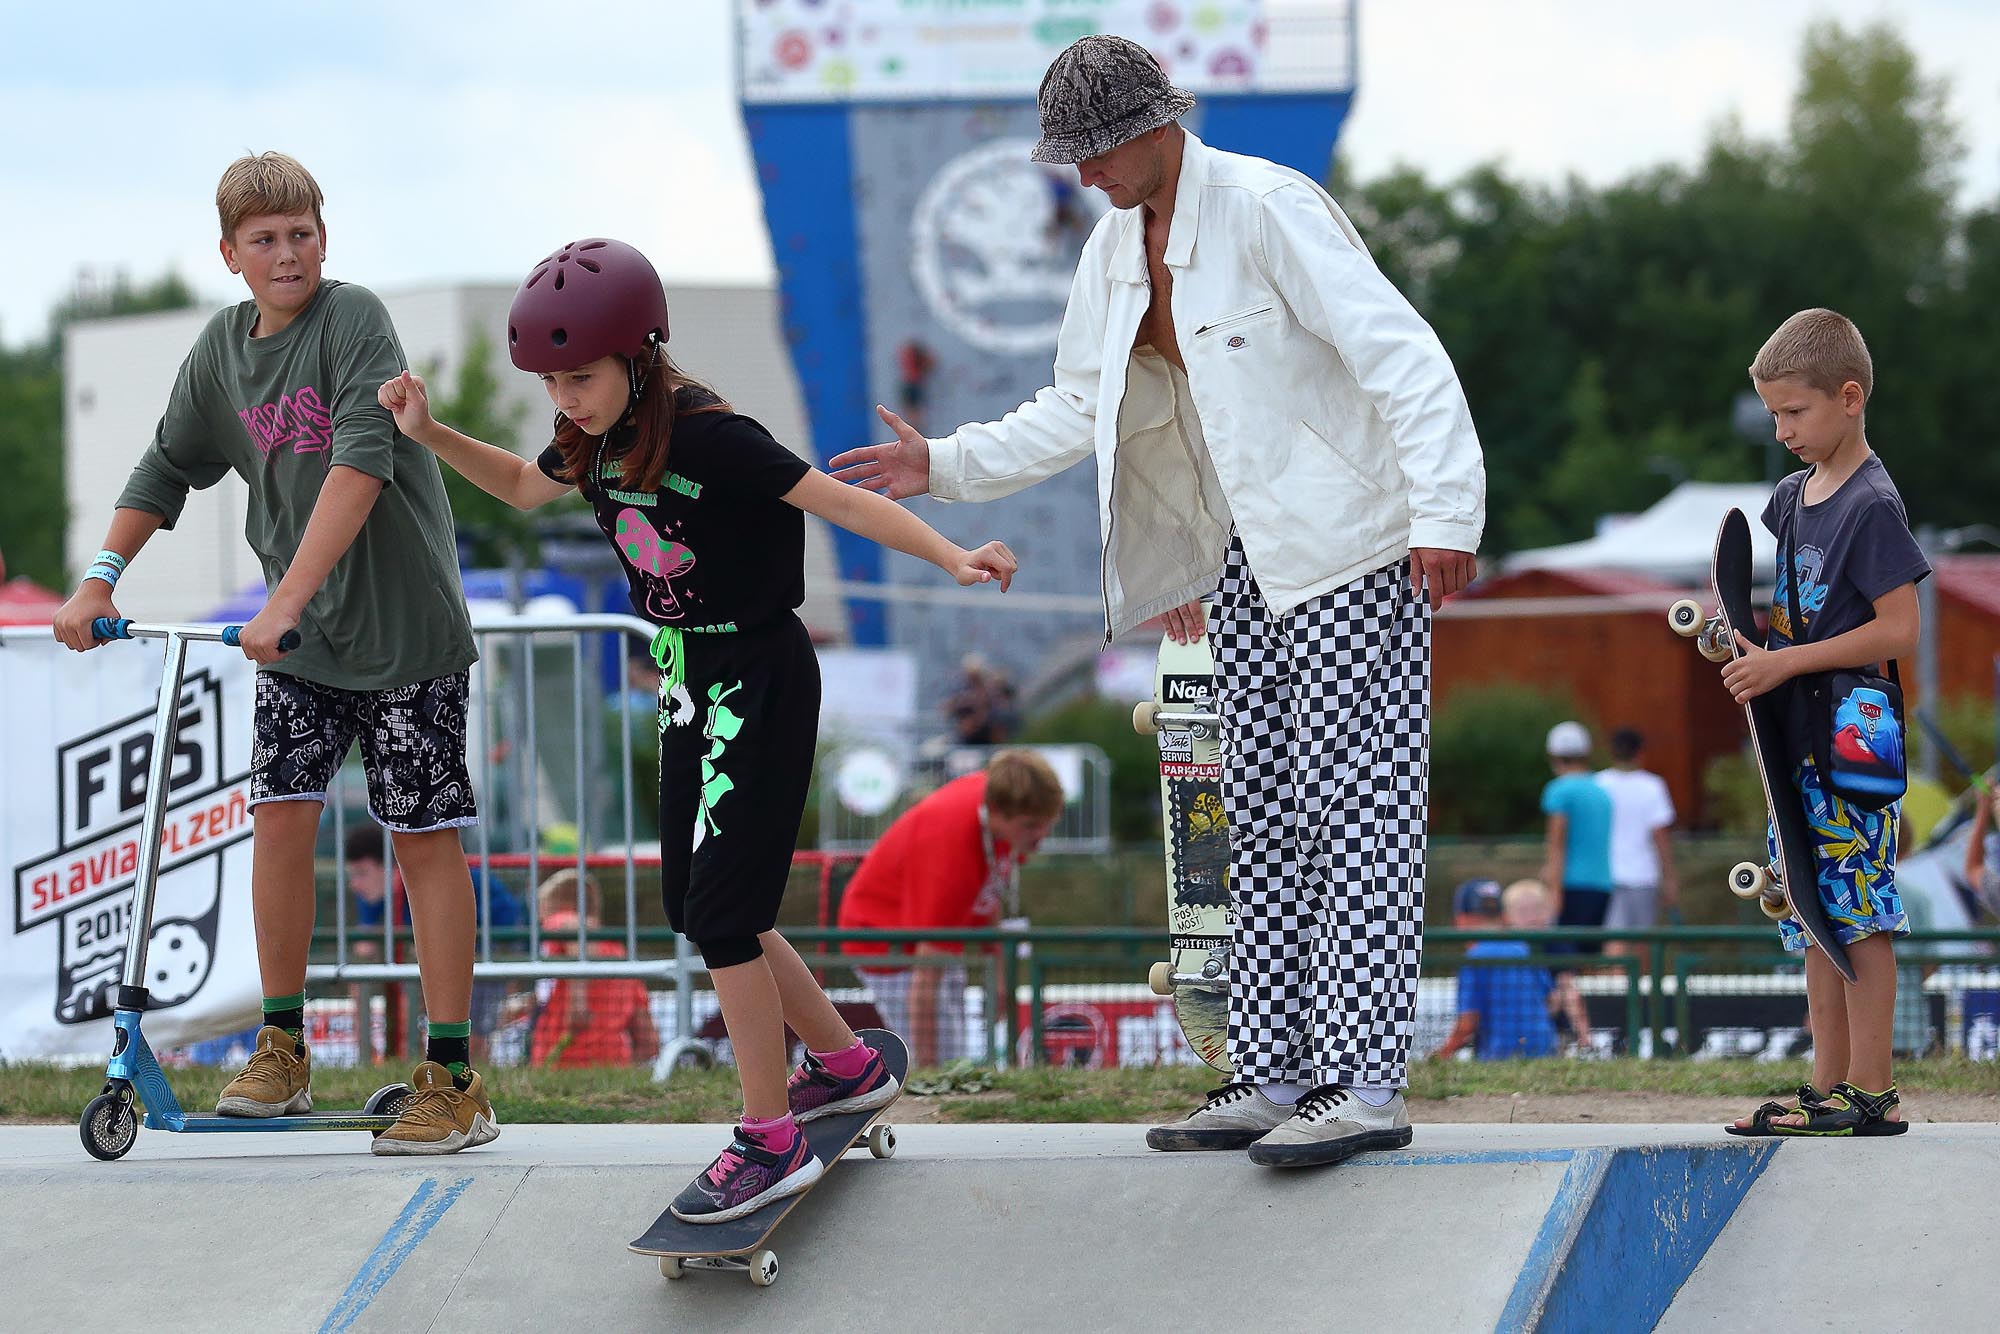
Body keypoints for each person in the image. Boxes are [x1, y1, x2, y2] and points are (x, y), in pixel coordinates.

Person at [830, 34, 1485, 1169]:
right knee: (1268, 820)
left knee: (1356, 812)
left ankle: (1364, 1082)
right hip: (1239, 558)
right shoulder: (1110, 251)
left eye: (1091, 154)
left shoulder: (1268, 207)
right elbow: (1075, 406)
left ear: (1149, 130)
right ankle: (1275, 1069)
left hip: (1347, 548)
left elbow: (1402, 356)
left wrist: (1444, 511)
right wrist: (943, 462)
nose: (1079, 175)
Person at [378, 236, 1017, 1222]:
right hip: (689, 683)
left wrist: (951, 555)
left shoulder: (710, 435)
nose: (566, 398)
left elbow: (835, 498)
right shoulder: (589, 440)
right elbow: (516, 484)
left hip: (760, 676)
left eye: (581, 377)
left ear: (638, 355)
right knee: (704, 901)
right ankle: (842, 1063)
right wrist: (429, 432)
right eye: (551, 381)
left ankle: (770, 1138)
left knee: (723, 910)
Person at [52, 152, 497, 1155]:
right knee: (279, 820)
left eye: (301, 231)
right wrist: (98, 577)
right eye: (264, 238)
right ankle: (282, 1045)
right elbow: (167, 462)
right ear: (230, 254)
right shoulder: (220, 349)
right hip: (302, 643)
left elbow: (361, 463)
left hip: (402, 633)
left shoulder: (354, 321)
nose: (286, 250)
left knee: (422, 837)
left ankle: (453, 1074)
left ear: (323, 238)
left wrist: (281, 598)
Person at [1722, 309, 1926, 1137]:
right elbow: (1800, 615)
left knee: (1859, 910)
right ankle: (1826, 1084)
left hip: (1854, 734)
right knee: (1810, 908)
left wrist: (1785, 664)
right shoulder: (1792, 499)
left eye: (1795, 413)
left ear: (1849, 398)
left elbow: (1897, 630)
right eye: (1773, 413)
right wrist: (1754, 648)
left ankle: (1870, 1093)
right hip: (1798, 735)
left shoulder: (1872, 505)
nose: (1781, 431)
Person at [837, 749, 1067, 1065]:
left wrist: (999, 977)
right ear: (997, 812)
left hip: (934, 926)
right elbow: (924, 979)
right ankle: (929, 1089)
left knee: (955, 1040)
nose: (1041, 836)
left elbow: (989, 894)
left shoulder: (1002, 808)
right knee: (942, 1052)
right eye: (1030, 826)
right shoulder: (950, 855)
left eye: (1047, 823)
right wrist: (933, 1080)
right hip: (882, 937)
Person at [344, 827, 527, 1067]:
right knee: (400, 1000)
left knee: (472, 1036)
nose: (354, 884)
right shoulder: (374, 897)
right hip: (442, 954)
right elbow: (364, 948)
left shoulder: (448, 884)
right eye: (352, 875)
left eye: (362, 873)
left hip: (486, 949)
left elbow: (497, 934)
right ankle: (410, 1064)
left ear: (391, 869)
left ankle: (462, 1072)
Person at [1434, 880, 1592, 1060]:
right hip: (1546, 1050)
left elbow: (1467, 1024)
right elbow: (1551, 1001)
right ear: (1504, 916)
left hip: (1499, 1055)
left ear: (1460, 920)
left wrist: (1442, 1055)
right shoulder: (1523, 949)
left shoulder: (1474, 958)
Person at [527, 869, 659, 1069]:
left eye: (542, 911)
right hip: (612, 1067)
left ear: (563, 904)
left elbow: (572, 927)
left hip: (560, 1064)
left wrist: (578, 999)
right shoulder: (620, 956)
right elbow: (649, 1042)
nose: (542, 922)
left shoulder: (564, 920)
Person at [1596, 727, 1679, 953]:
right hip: (1643, 875)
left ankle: (1616, 986)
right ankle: (1639, 986)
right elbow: (1660, 836)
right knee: (1643, 941)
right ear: (1640, 753)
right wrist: (1669, 877)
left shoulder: (1598, 784)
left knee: (1613, 938)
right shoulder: (1652, 786)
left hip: (1606, 874)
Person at [1541, 721, 1615, 955]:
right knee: (1589, 956)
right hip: (1602, 883)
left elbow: (1557, 843)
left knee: (1562, 960)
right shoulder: (1601, 790)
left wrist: (1553, 890)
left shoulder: (1559, 790)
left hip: (1571, 885)